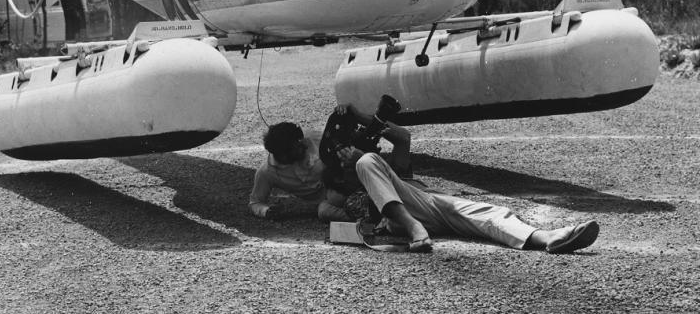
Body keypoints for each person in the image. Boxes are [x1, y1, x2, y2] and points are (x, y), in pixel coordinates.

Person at [324, 104, 600, 255]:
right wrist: (356, 163)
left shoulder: (389, 169)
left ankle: (547, 239)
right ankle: (415, 230)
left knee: (492, 214)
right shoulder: (349, 192)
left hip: (429, 202)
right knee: (366, 163)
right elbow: (370, 208)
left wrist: (361, 116)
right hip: (402, 220)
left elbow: (403, 138)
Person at [248, 122, 348, 222]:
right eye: (297, 147)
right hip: (329, 202)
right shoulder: (267, 172)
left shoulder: (313, 138)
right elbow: (255, 203)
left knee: (336, 198)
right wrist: (266, 211)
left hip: (347, 186)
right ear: (283, 155)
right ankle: (359, 218)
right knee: (323, 211)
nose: (304, 146)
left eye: (300, 141)